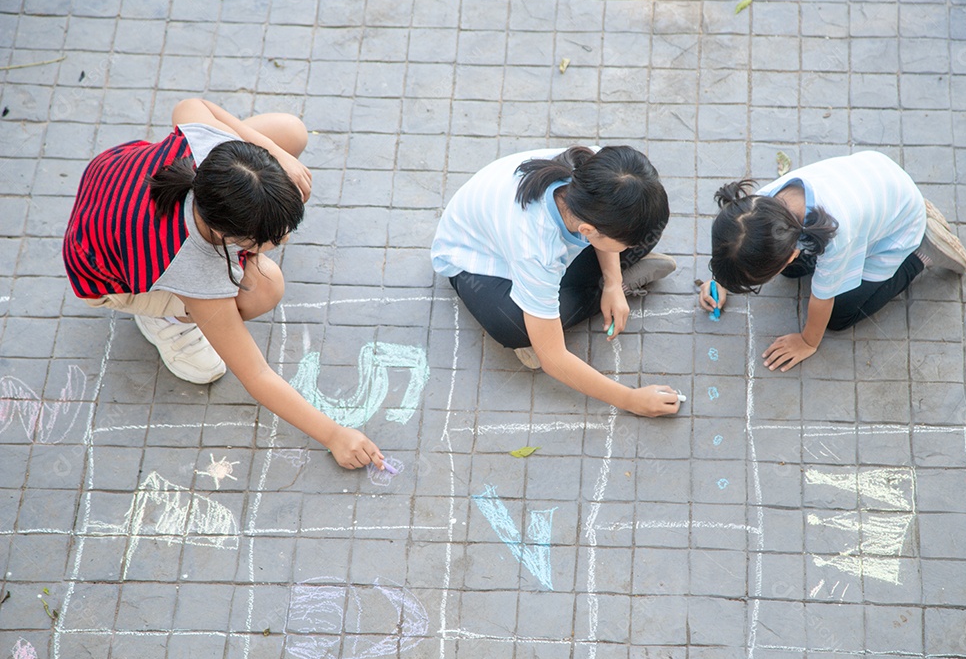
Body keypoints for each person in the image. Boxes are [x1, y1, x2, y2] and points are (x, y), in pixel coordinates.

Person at [63, 98, 383, 470]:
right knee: (265, 287)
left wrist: (278, 154)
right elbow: (256, 374)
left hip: (113, 183)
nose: (283, 241)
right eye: (271, 239)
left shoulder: (209, 148)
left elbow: (190, 104)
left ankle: (265, 172)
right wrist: (334, 435)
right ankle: (166, 319)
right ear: (228, 237)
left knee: (290, 132)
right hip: (106, 275)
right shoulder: (192, 265)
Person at [432, 145, 681, 417]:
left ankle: (608, 282)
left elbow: (607, 224)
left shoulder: (604, 170)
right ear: (588, 230)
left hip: (543, 246)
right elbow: (552, 358)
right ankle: (587, 296)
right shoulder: (536, 248)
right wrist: (631, 399)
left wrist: (612, 282)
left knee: (644, 230)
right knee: (514, 327)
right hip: (477, 261)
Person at [698, 150, 966, 371]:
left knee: (839, 316)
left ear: (792, 254)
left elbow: (823, 299)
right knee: (789, 272)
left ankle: (922, 254)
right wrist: (723, 277)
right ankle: (911, 212)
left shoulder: (837, 239)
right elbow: (736, 243)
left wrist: (807, 341)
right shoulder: (759, 207)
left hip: (898, 229)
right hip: (877, 178)